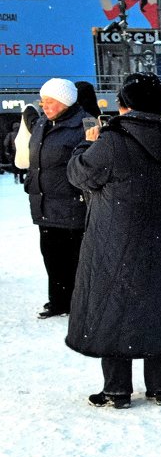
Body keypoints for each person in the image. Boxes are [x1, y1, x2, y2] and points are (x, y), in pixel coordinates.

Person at [66, 74, 161, 408]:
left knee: (113, 305)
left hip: (115, 238)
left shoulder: (113, 139)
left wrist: (85, 143)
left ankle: (117, 390)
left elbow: (79, 175)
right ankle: (160, 386)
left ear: (126, 105)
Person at [26, 78, 88, 319]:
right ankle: (59, 301)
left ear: (65, 102)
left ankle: (80, 303)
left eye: (50, 101)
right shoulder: (43, 123)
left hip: (72, 206)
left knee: (75, 258)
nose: (45, 106)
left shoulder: (87, 122)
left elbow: (89, 162)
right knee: (51, 256)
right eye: (43, 101)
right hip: (45, 203)